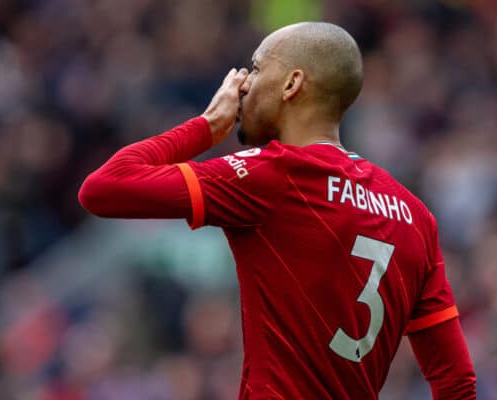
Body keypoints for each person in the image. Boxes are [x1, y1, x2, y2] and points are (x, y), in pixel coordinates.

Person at [79, 22, 476, 399]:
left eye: (255, 67)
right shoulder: (414, 214)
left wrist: (206, 125)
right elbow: (456, 380)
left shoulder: (272, 175)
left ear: (292, 84)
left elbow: (103, 188)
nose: (243, 83)